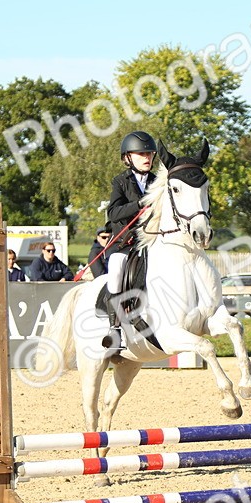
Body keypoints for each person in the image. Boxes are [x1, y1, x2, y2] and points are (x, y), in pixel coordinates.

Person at [103, 131, 158, 351]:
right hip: (125, 243)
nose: (147, 158)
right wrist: (140, 204)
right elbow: (114, 213)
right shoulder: (120, 181)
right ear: (128, 158)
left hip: (152, 242)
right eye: (141, 153)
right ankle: (114, 328)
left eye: (149, 154)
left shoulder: (157, 181)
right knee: (116, 269)